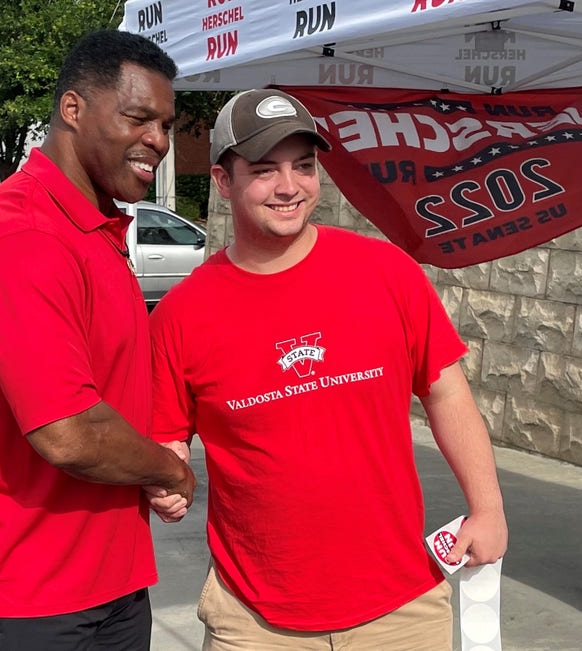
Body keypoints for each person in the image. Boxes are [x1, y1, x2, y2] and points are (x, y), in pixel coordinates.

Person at [146, 89, 508, 649]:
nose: (289, 187)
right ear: (223, 181)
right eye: (265, 170)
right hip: (256, 618)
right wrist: (166, 483)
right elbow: (167, 436)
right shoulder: (181, 315)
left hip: (401, 608)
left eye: (303, 167)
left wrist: (487, 510)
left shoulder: (385, 272)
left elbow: (448, 395)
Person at [0, 29, 196, 651]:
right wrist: (169, 469)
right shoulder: (26, 236)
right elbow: (69, 434)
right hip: (23, 587)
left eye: (167, 125)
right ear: (73, 110)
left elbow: (113, 381)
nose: (159, 142)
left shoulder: (93, 225)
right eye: (139, 118)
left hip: (108, 574)